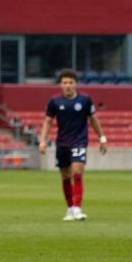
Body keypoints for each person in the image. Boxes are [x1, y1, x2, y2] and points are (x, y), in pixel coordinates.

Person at [38, 69, 107, 221]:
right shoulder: (55, 101)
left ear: (76, 84)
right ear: (61, 85)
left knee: (77, 173)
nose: (68, 85)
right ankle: (69, 209)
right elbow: (48, 121)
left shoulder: (85, 100)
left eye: (71, 82)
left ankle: (77, 209)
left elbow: (93, 119)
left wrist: (102, 138)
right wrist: (43, 141)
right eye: (65, 83)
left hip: (79, 141)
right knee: (65, 177)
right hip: (62, 143)